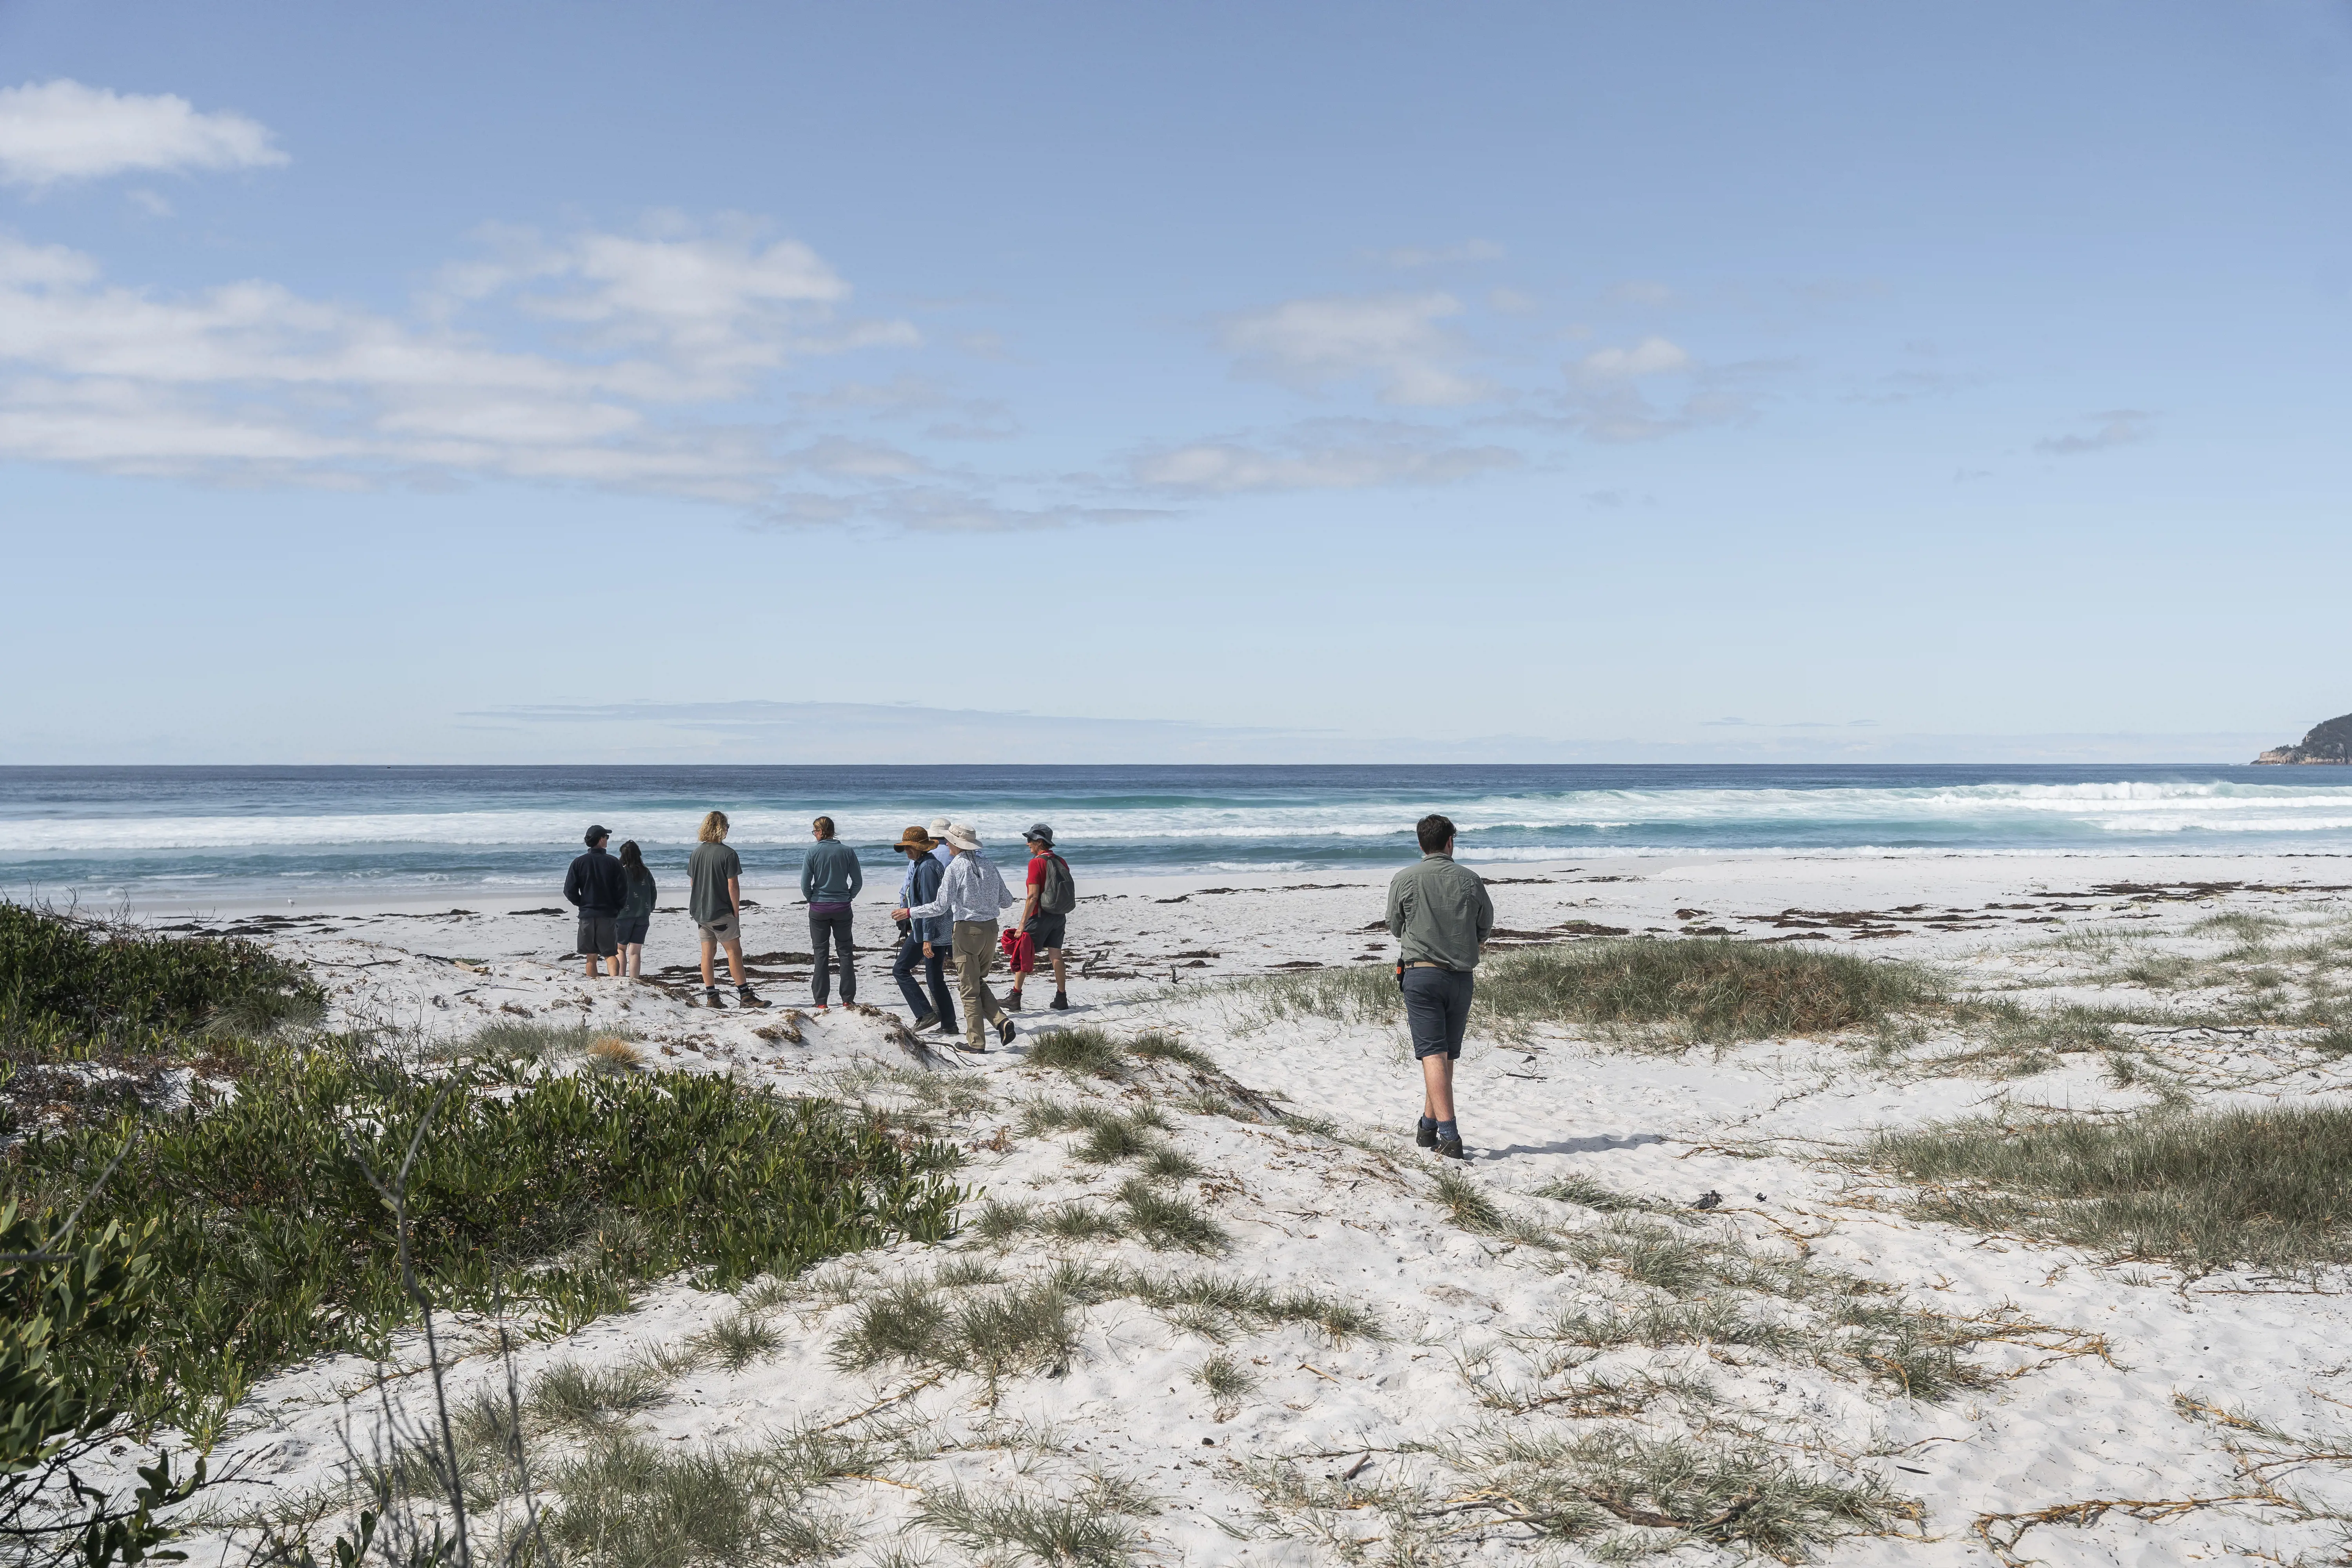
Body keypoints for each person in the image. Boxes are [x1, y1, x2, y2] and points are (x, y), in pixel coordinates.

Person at [1385, 812, 1493, 1160]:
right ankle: (1428, 1127)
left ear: (1421, 844)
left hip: (1421, 974)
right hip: (1461, 977)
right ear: (1450, 843)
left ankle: (1449, 1135)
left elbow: (1394, 926)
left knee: (1434, 1053)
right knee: (1444, 1055)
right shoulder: (1470, 879)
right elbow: (1485, 927)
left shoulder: (1405, 878)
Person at [892, 822, 1017, 1051]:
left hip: (967, 931)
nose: (945, 844)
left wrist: (910, 912)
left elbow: (940, 906)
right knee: (976, 981)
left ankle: (977, 1043)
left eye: (949, 841)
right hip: (991, 930)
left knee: (968, 989)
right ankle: (1001, 1021)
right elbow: (1007, 901)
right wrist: (984, 899)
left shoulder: (956, 868)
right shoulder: (989, 865)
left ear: (957, 844)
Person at [689, 809, 762, 1007]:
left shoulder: (697, 853)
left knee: (707, 953)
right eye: (727, 827)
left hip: (701, 913)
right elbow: (733, 886)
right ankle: (746, 996)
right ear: (721, 829)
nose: (728, 830)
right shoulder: (728, 853)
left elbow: (693, 882)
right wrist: (736, 912)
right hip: (721, 912)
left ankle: (712, 997)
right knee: (734, 953)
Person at [890, 825, 958, 1033]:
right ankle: (949, 1024)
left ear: (921, 847)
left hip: (929, 930)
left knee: (900, 970)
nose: (907, 851)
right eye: (905, 847)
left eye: (910, 847)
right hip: (933, 929)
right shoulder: (925, 864)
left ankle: (925, 1014)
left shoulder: (928, 868)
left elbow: (931, 905)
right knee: (935, 977)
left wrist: (927, 938)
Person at [1008, 823, 1074, 1012]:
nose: (1027, 843)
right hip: (1058, 915)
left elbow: (1033, 896)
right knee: (1056, 955)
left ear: (1039, 842)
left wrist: (1022, 924)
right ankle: (1061, 998)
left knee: (1024, 954)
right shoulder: (1061, 861)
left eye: (1030, 840)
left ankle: (1015, 997)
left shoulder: (1036, 863)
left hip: (1039, 916)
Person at [801, 815, 864, 1011]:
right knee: (845, 952)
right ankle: (847, 999)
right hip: (842, 907)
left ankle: (821, 1001)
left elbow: (805, 884)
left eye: (815, 832)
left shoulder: (812, 852)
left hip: (819, 908)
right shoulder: (847, 852)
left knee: (821, 954)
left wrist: (812, 899)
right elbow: (858, 882)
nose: (814, 835)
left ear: (820, 832)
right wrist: (848, 897)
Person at [562, 825, 627, 979]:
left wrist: (582, 904)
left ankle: (594, 984)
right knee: (610, 954)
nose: (607, 840)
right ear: (601, 840)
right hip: (607, 914)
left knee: (591, 956)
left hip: (587, 914)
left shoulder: (578, 862)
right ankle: (615, 983)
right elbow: (623, 891)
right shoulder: (613, 863)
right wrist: (618, 908)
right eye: (606, 837)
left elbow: (569, 890)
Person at [614, 838, 655, 980]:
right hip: (643, 916)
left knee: (620, 949)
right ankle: (635, 980)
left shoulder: (620, 872)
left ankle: (621, 978)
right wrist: (650, 909)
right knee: (636, 952)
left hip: (623, 916)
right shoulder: (646, 872)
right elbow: (653, 892)